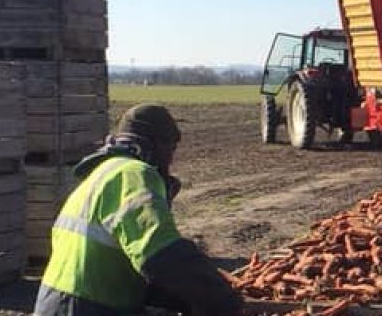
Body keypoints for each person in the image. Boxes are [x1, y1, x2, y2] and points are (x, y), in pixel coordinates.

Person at [33, 104, 243, 316]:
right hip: (85, 307)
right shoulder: (134, 174)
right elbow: (162, 252)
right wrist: (222, 299)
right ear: (150, 144)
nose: (170, 159)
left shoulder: (104, 172)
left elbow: (132, 257)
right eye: (169, 148)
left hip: (62, 302)